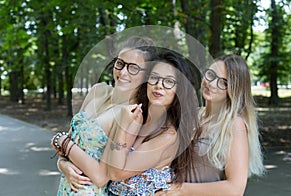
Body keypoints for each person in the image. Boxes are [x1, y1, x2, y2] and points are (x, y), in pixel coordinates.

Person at [51, 49, 199, 195]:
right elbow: (95, 157)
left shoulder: (168, 135)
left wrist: (122, 128)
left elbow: (114, 173)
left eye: (168, 81)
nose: (159, 85)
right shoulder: (137, 116)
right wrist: (63, 164)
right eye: (154, 77)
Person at [53, 36, 157, 195]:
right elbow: (68, 144)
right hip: (66, 188)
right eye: (120, 63)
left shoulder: (132, 115)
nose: (123, 72)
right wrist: (62, 165)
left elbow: (101, 177)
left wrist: (60, 140)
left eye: (133, 68)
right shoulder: (98, 90)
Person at [157, 54, 265, 195]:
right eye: (211, 75)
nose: (212, 84)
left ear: (234, 89)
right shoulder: (193, 115)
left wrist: (180, 189)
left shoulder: (234, 125)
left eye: (223, 83)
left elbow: (235, 189)